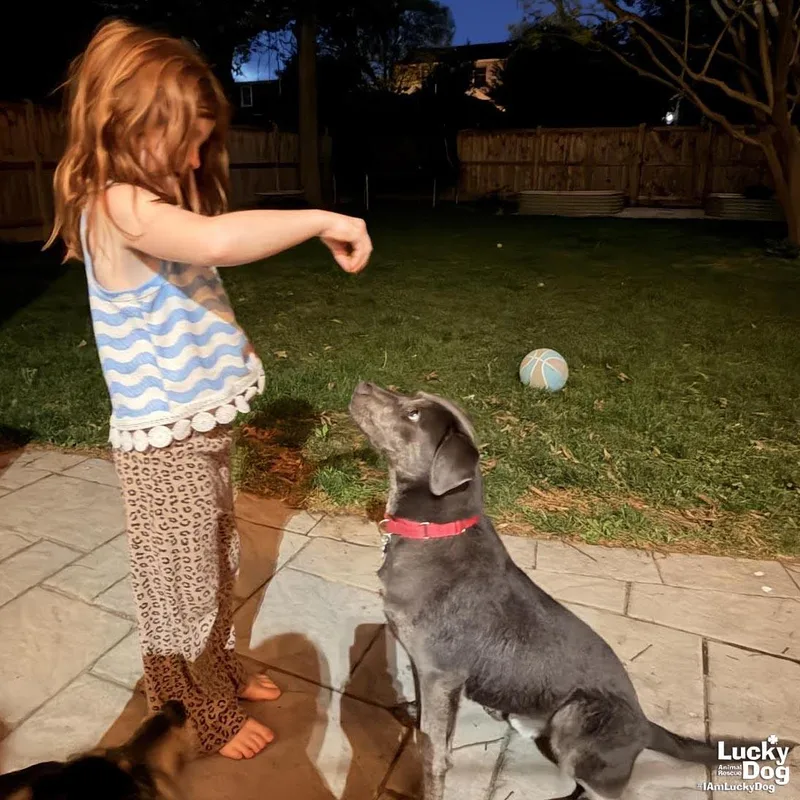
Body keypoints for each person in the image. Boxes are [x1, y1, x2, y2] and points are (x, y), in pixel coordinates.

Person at [46, 19, 372, 761]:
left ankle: (213, 668)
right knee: (181, 587)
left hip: (196, 429)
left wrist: (230, 345)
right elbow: (219, 244)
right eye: (187, 140)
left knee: (218, 562)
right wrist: (325, 218)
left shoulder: (151, 206)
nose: (198, 157)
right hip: (163, 447)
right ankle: (195, 704)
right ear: (131, 126)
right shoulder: (118, 206)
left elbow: (190, 290)